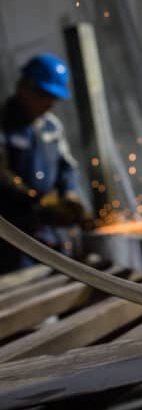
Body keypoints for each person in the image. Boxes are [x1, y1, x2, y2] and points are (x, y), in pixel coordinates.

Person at [0, 54, 87, 273]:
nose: (49, 103)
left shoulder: (51, 127)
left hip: (49, 236)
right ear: (23, 87)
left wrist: (70, 195)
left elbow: (66, 167)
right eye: (43, 95)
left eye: (53, 98)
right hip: (12, 238)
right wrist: (35, 199)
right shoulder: (3, 125)